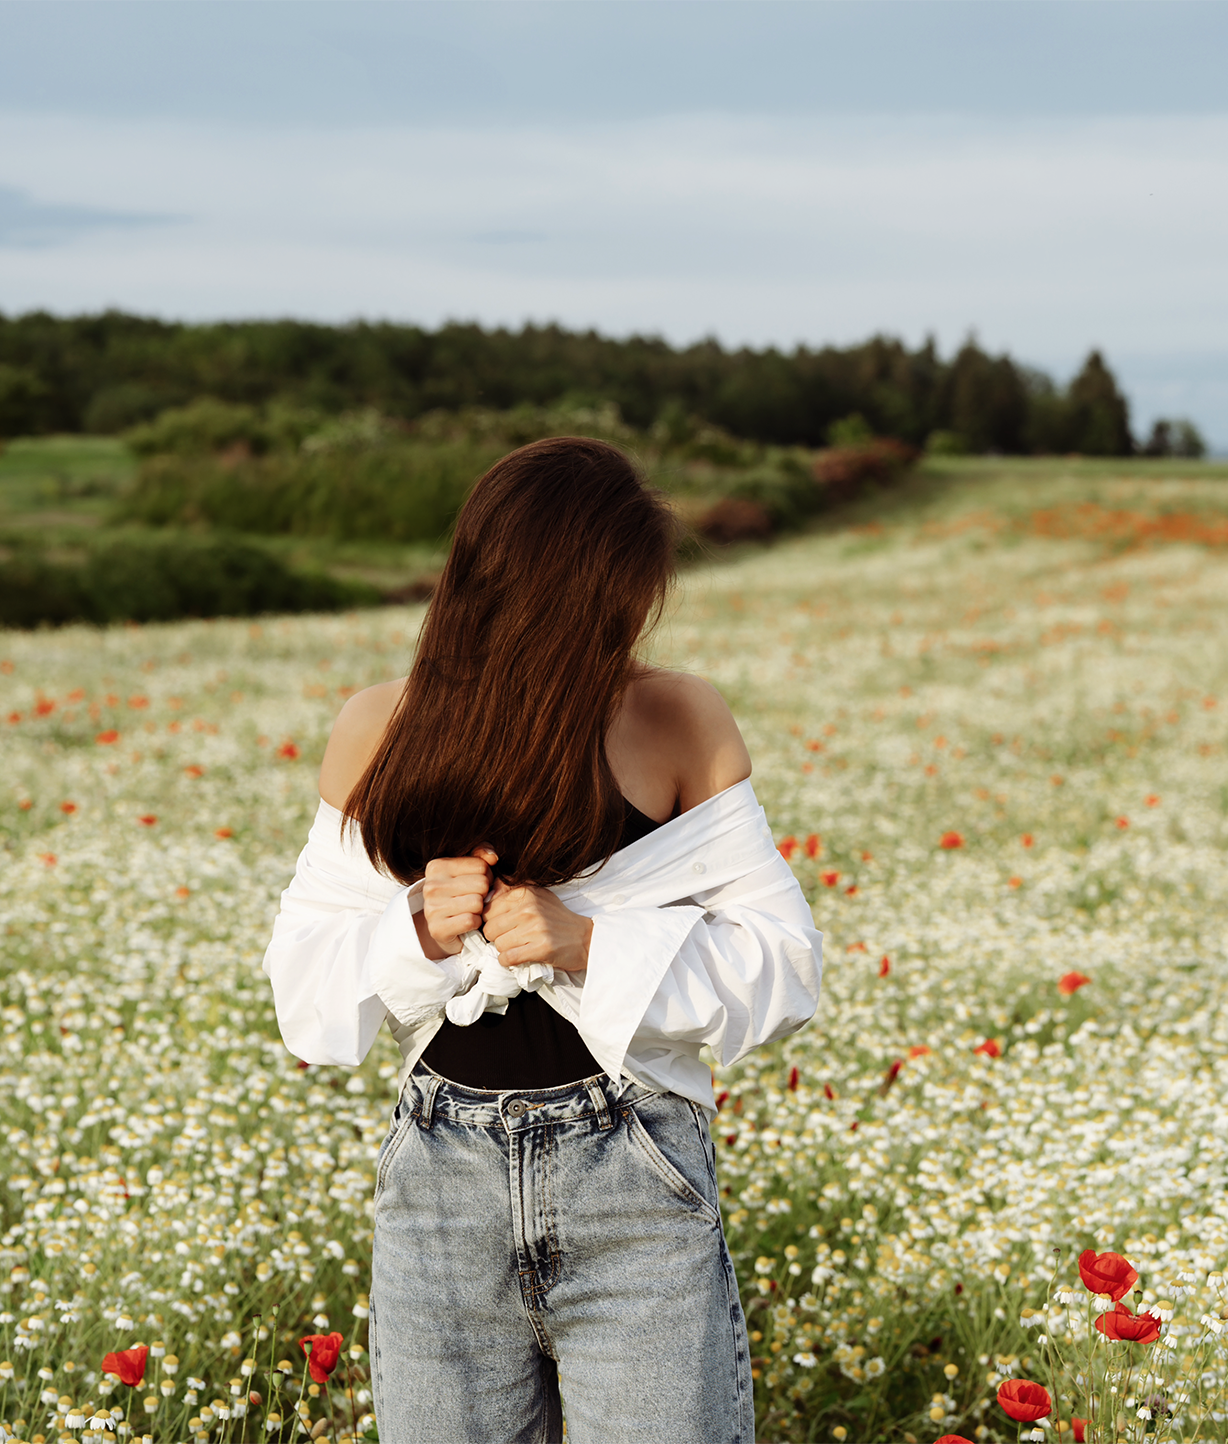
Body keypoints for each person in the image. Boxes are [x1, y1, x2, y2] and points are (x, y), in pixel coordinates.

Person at [262, 436, 824, 1444]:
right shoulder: (380, 729)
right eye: (611, 606)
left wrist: (588, 943)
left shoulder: (678, 719)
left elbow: (782, 965)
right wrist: (415, 931)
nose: (625, 635)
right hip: (441, 1184)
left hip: (637, 1171)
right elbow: (304, 993)